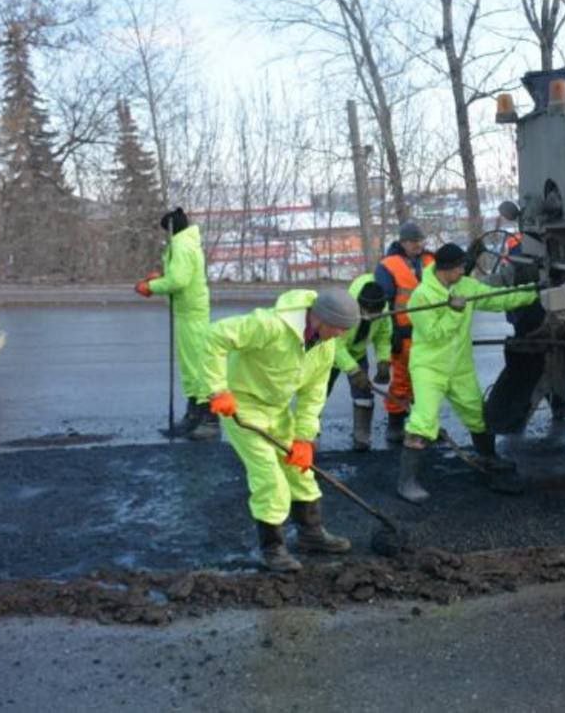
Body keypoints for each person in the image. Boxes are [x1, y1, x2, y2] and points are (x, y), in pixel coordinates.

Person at [203, 287, 361, 572]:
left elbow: (314, 394)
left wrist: (304, 438)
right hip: (242, 405)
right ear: (320, 318)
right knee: (269, 477)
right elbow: (214, 336)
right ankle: (272, 548)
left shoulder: (325, 347)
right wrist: (217, 389)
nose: (341, 336)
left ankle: (311, 535)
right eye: (338, 329)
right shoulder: (270, 325)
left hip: (277, 410)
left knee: (300, 470)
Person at [396, 242, 540, 504]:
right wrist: (453, 312)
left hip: (460, 367)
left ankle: (488, 458)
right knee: (423, 421)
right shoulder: (422, 296)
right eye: (461, 266)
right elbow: (434, 334)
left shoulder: (465, 286)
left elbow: (498, 299)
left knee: (477, 415)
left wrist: (533, 293)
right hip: (429, 368)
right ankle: (407, 482)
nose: (465, 269)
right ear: (446, 269)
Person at [496, 200, 565, 421]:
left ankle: (558, 403)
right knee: (537, 362)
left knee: (559, 355)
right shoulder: (525, 248)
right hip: (531, 315)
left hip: (536, 314)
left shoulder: (533, 245)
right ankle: (521, 412)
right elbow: (509, 277)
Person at [136, 208, 215, 440]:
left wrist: (151, 287)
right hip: (188, 311)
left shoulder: (181, 245)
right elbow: (179, 275)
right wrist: (160, 279)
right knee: (190, 366)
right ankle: (193, 416)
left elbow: (179, 280)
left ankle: (208, 418)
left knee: (197, 366)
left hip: (192, 313)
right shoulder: (187, 244)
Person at [373, 221, 435, 446]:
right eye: (412, 241)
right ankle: (396, 425)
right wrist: (392, 333)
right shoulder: (388, 265)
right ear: (402, 242)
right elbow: (384, 301)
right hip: (404, 332)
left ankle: (423, 425)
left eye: (420, 240)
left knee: (428, 381)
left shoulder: (431, 260)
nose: (418, 244)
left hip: (430, 332)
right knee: (401, 380)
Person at [326, 275, 393, 452]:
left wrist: (384, 361)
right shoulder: (343, 310)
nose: (371, 318)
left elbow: (383, 336)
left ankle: (362, 437)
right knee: (318, 394)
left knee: (364, 395)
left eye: (375, 314)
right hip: (328, 355)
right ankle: (308, 435)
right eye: (367, 313)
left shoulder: (383, 310)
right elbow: (334, 343)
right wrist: (353, 371)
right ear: (360, 304)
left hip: (358, 352)